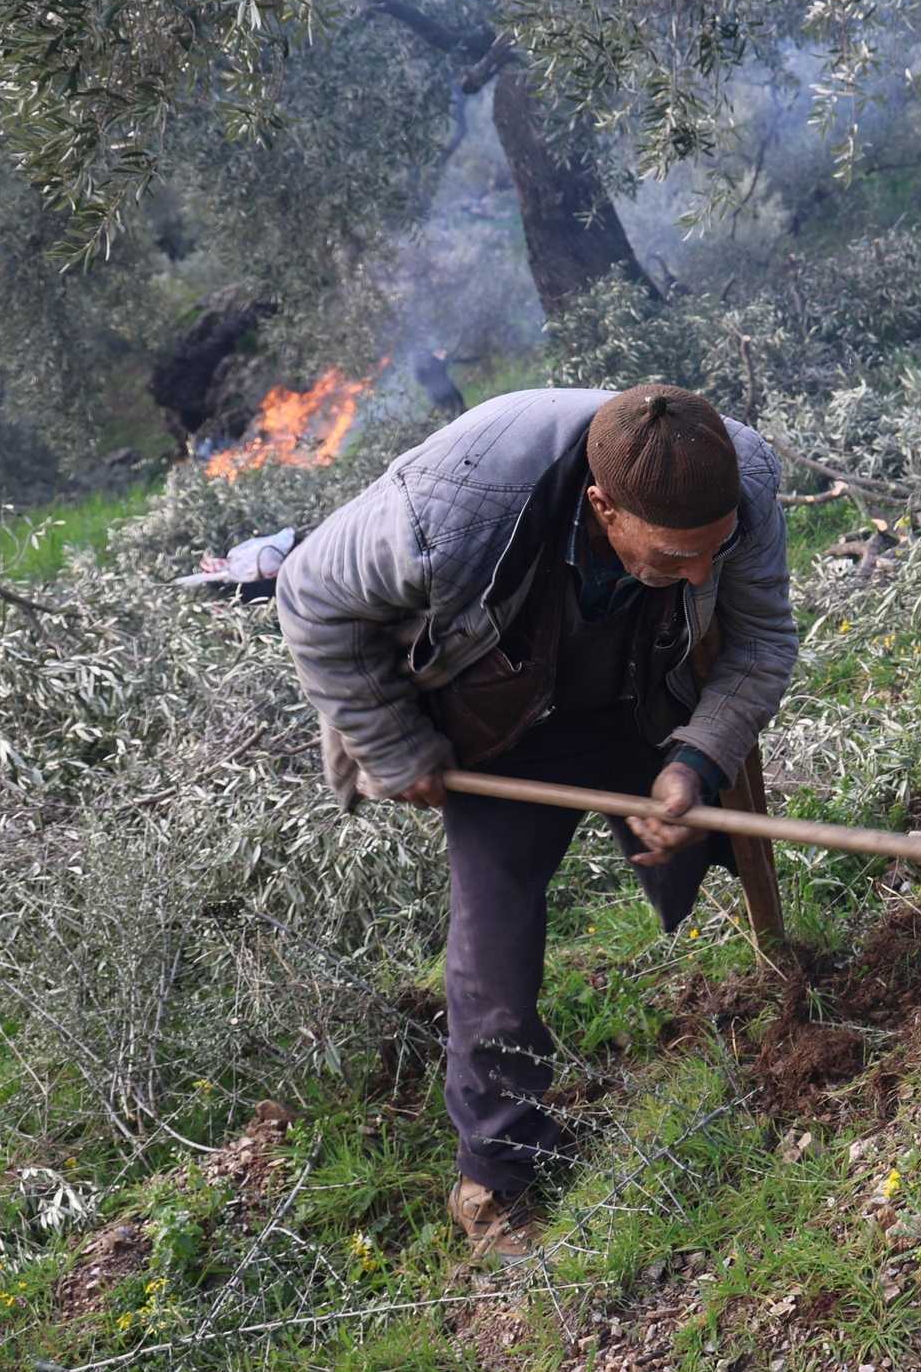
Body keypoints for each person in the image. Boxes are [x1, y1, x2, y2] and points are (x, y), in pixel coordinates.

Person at [275, 384, 799, 1259]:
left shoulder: (736, 486)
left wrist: (695, 759)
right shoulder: (447, 514)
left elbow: (759, 645)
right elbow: (308, 599)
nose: (702, 573)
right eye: (674, 557)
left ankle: (782, 977)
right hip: (501, 713)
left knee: (695, 830)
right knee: (497, 924)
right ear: (603, 506)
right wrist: (398, 748)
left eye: (714, 554)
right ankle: (497, 1176)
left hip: (641, 679)